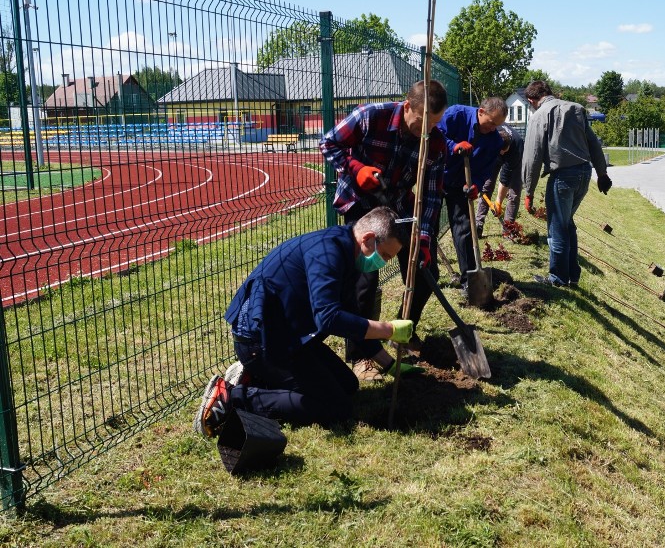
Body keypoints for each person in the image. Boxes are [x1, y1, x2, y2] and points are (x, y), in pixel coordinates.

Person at [193, 207, 422, 438]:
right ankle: (233, 399)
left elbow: (350, 312)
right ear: (368, 239)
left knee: (348, 385)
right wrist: (389, 329)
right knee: (336, 406)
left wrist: (388, 364)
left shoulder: (347, 251)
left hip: (290, 337)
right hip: (260, 341)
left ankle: (260, 380)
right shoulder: (327, 253)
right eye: (385, 255)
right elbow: (328, 317)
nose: (383, 262)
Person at [319, 80, 448, 378]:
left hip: (399, 208)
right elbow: (329, 142)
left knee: (424, 272)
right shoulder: (370, 117)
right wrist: (356, 168)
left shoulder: (436, 143)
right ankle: (360, 355)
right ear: (407, 107)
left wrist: (424, 239)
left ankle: (404, 329)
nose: (425, 132)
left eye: (433, 124)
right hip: (361, 206)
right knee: (363, 281)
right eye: (420, 123)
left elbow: (430, 197)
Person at [521, 80, 612, 288]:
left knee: (557, 228)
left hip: (562, 177)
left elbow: (532, 157)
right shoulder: (576, 109)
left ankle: (558, 279)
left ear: (531, 100)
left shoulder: (539, 116)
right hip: (584, 173)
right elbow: (593, 143)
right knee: (567, 224)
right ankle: (573, 276)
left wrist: (529, 191)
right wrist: (602, 173)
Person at [436, 97, 507, 295]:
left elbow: (486, 169)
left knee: (464, 229)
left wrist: (475, 184)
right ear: (481, 111)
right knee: (428, 227)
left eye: (498, 125)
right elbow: (434, 134)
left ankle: (469, 278)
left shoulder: (495, 140)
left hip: (461, 184)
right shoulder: (456, 115)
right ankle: (428, 274)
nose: (493, 128)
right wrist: (453, 145)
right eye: (492, 123)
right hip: (436, 175)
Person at [474, 124, 524, 232]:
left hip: (514, 160)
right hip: (493, 156)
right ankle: (478, 223)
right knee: (486, 186)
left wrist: (498, 202)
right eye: (501, 151)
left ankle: (508, 228)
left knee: (514, 192)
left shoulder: (517, 145)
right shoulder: (490, 134)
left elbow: (505, 178)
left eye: (504, 151)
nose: (502, 153)